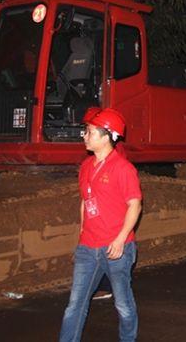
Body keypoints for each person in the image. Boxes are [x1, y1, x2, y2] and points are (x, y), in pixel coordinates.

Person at [59, 108, 142, 342]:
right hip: (88, 248)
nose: (84, 136)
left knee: (123, 304)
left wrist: (119, 239)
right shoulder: (86, 166)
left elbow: (134, 206)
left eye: (89, 132)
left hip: (117, 248)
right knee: (74, 306)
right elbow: (86, 203)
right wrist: (81, 239)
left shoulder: (123, 169)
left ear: (107, 136)